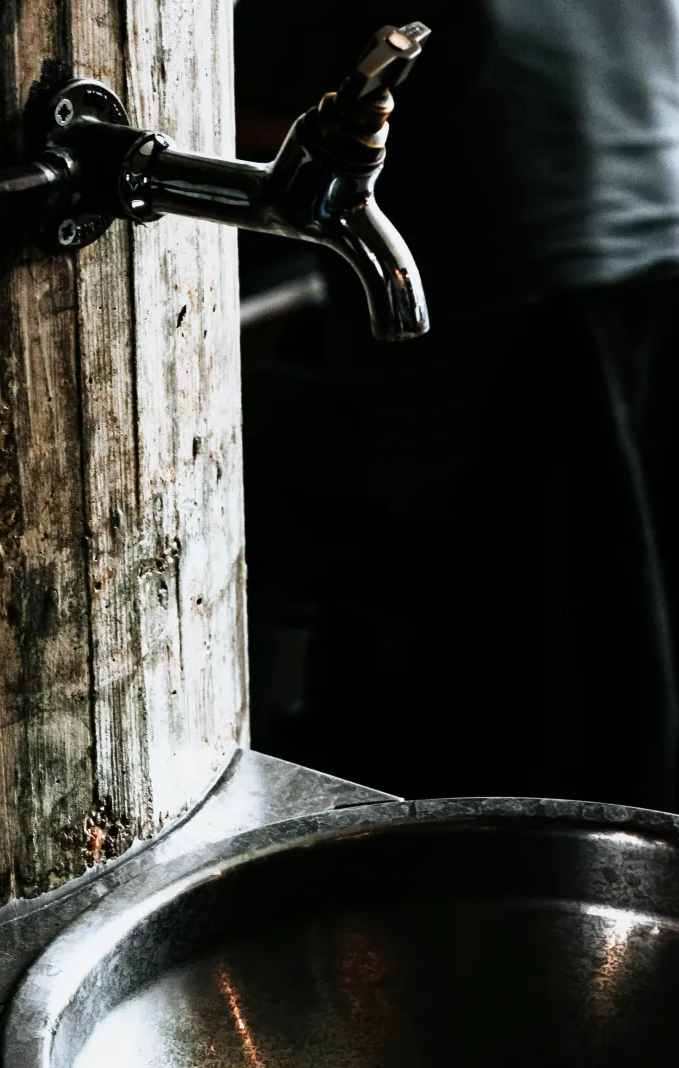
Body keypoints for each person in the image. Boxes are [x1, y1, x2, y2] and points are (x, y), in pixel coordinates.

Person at [237, 0, 679, 810]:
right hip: (648, 279)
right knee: (609, 641)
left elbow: (261, 126)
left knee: (491, 651)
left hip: (521, 315)